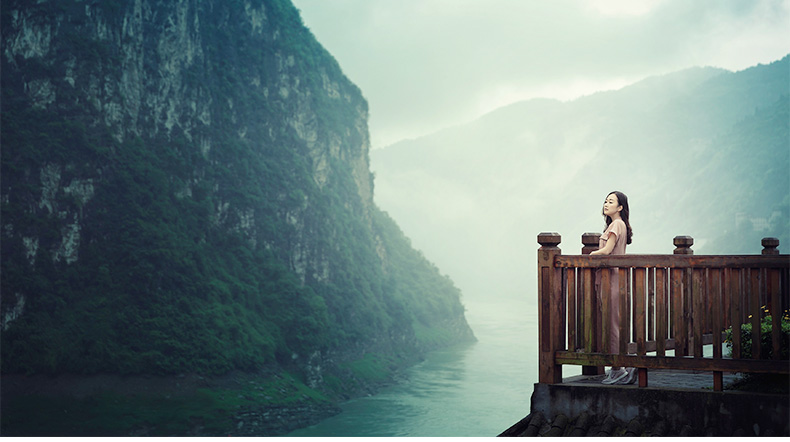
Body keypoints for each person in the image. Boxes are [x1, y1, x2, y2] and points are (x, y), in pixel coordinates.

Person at [591, 191, 634, 385]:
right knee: (612, 322)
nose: (606, 204)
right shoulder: (616, 225)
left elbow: (607, 251)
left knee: (612, 324)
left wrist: (591, 254)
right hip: (612, 279)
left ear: (620, 207)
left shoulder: (617, 224)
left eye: (611, 201)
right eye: (605, 200)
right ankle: (617, 367)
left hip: (611, 280)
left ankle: (618, 368)